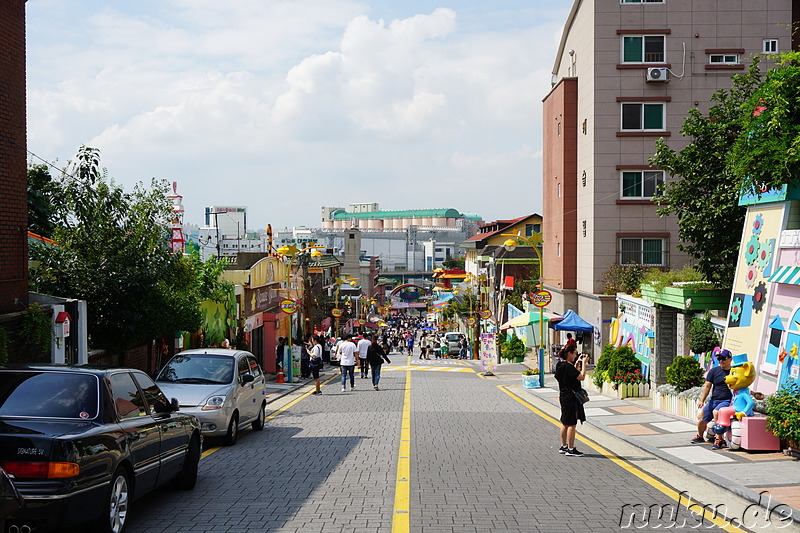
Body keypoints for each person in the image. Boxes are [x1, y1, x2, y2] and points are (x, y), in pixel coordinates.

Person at [692, 349, 734, 449]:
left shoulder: (734, 372)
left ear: (730, 359)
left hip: (726, 400)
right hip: (714, 400)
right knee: (702, 419)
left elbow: (741, 386)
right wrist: (701, 400)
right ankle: (700, 436)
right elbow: (707, 387)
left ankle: (719, 439)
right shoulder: (714, 371)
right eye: (719, 358)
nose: (721, 361)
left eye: (723, 358)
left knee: (717, 413)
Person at [554, 344, 588, 457]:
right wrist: (584, 364)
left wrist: (577, 363)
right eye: (575, 353)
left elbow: (572, 373)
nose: (576, 355)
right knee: (572, 424)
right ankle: (571, 448)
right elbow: (581, 376)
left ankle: (564, 446)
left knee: (564, 422)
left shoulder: (560, 365)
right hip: (571, 398)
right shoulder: (568, 367)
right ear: (569, 353)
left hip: (564, 396)